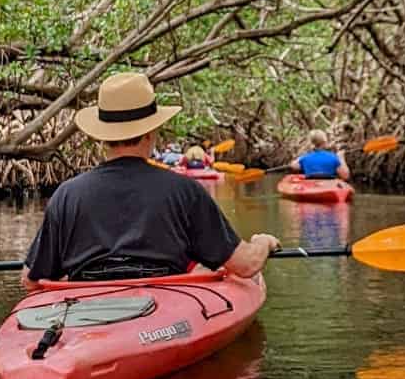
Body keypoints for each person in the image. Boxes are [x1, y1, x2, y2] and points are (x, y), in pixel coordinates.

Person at [23, 70, 279, 285]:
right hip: (167, 305)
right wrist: (263, 242)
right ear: (150, 132)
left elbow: (30, 279)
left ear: (102, 137)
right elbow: (246, 266)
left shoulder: (67, 194)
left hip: (87, 311)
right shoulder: (184, 191)